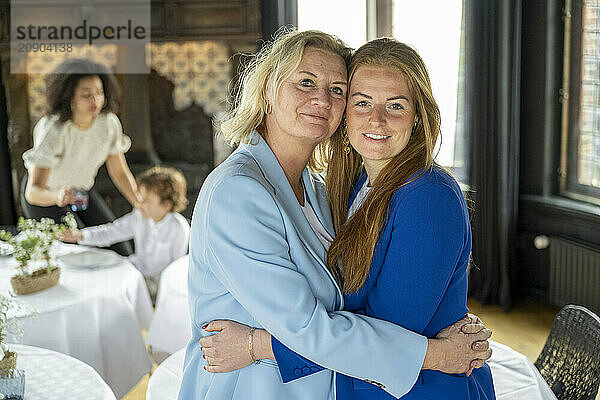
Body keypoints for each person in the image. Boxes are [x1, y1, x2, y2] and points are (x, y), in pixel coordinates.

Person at [179, 30, 491, 400]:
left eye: (337, 90)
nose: (321, 100)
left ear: (418, 116)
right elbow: (317, 324)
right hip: (255, 387)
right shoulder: (240, 192)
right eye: (305, 82)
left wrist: (257, 344)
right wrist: (439, 354)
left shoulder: (332, 187)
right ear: (266, 91)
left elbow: (379, 321)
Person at [22, 58, 142, 255]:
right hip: (47, 199)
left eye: (99, 93)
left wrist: (140, 204)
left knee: (120, 250)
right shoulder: (53, 128)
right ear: (70, 97)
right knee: (78, 253)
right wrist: (58, 196)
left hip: (81, 193)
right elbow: (33, 192)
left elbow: (119, 172)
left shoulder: (109, 123)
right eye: (86, 95)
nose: (95, 100)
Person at [60, 166, 190, 302]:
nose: (140, 204)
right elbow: (111, 232)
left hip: (157, 284)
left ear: (166, 205)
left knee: (117, 291)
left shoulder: (179, 228)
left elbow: (177, 269)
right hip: (133, 270)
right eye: (140, 198)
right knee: (98, 276)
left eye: (147, 201)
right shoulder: (139, 216)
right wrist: (80, 236)